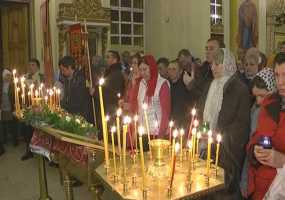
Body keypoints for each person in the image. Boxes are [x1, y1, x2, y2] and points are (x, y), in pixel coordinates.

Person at [198, 48, 250, 199]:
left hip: (227, 154)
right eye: (212, 64)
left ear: (227, 64)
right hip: (207, 148)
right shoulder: (210, 85)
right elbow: (204, 114)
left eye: (217, 64)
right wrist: (203, 130)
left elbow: (241, 127)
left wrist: (220, 136)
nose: (212, 67)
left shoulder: (240, 89)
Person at [247, 52, 285, 200]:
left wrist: (283, 160)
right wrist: (255, 150)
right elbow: (256, 138)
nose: (280, 82)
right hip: (261, 187)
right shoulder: (269, 103)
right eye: (276, 75)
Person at [239, 68, 277, 198]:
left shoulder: (275, 113)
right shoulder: (255, 109)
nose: (259, 101)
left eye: (262, 95)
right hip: (253, 161)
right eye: (256, 96)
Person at [137, 55, 170, 145]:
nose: (143, 73)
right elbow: (140, 109)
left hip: (157, 133)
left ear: (152, 68)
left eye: (145, 69)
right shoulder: (142, 83)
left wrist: (160, 136)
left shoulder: (162, 84)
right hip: (143, 131)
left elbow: (165, 112)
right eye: (140, 70)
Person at [183, 38, 224, 103]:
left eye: (211, 49)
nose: (207, 52)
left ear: (221, 51)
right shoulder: (203, 68)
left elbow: (209, 96)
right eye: (206, 49)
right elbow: (197, 95)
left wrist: (191, 85)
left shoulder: (224, 71)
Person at [59, 56, 93, 123]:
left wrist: (62, 106)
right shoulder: (66, 79)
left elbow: (77, 101)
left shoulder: (80, 79)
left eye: (63, 70)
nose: (62, 72)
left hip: (80, 115)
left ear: (69, 68)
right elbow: (67, 96)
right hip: (71, 113)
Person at [168, 60, 194, 128]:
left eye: (174, 69)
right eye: (169, 69)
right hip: (169, 122)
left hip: (183, 123)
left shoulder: (185, 84)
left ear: (180, 71)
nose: (171, 72)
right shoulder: (166, 84)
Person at [0, 68, 16, 156]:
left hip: (11, 107)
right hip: (3, 108)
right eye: (6, 75)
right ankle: (4, 140)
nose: (8, 77)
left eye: (9, 75)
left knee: (12, 124)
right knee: (3, 125)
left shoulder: (13, 85)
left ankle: (15, 140)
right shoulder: (1, 85)